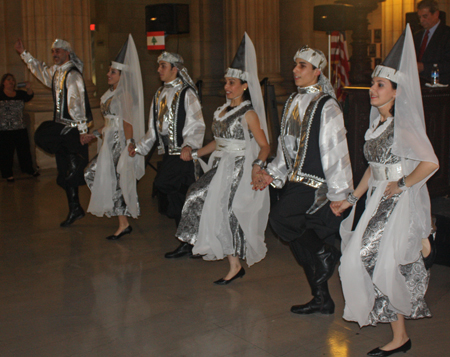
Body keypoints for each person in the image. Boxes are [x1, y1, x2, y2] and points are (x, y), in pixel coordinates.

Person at [335, 25, 439, 356]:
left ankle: (399, 336)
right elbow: (372, 169)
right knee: (368, 262)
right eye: (373, 84)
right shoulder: (376, 124)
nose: (372, 90)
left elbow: (431, 162)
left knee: (370, 261)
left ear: (396, 92)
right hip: (378, 196)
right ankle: (399, 335)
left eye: (380, 85)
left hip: (396, 201)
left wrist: (404, 184)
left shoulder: (402, 125)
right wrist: (352, 197)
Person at [255, 46, 353, 314]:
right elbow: (286, 147)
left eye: (302, 66)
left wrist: (338, 194)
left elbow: (336, 151)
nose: (295, 70)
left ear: (317, 72)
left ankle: (326, 254)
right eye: (295, 65)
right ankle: (322, 297)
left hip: (318, 184)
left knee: (280, 219)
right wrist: (272, 173)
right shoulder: (292, 102)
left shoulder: (327, 105)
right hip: (296, 180)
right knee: (301, 245)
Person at [176, 33, 270, 284]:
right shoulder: (220, 111)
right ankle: (203, 241)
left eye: (232, 83)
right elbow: (217, 143)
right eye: (226, 82)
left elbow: (264, 146)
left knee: (229, 211)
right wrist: (196, 152)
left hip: (239, 167)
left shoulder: (247, 113)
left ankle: (234, 265)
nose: (227, 87)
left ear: (244, 86)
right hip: (221, 165)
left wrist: (256, 166)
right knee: (197, 194)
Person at [128, 52, 205, 257]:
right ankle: (188, 240)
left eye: (163, 66)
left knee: (177, 194)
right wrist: (139, 148)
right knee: (174, 196)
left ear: (175, 69)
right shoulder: (158, 94)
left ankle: (189, 241)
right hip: (169, 155)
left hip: (183, 156)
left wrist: (189, 145)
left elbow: (196, 123)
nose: (159, 70)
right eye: (159, 66)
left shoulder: (187, 93)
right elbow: (153, 130)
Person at [15, 38, 92, 227]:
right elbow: (40, 69)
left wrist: (82, 130)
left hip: (72, 129)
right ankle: (75, 208)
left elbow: (76, 102)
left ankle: (79, 166)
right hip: (62, 127)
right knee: (64, 170)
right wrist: (24, 54)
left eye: (58, 51)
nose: (55, 54)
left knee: (69, 172)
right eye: (53, 52)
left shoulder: (72, 74)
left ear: (67, 53)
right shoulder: (57, 72)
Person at [83, 35, 145, 240]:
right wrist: (93, 134)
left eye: (113, 72)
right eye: (110, 71)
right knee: (92, 173)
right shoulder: (111, 92)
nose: (108, 74)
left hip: (119, 142)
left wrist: (129, 145)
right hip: (109, 140)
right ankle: (120, 217)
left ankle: (123, 223)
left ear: (122, 75)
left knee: (117, 180)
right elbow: (109, 121)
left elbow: (127, 122)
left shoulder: (124, 95)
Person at [0, 73, 39, 182]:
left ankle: (29, 170)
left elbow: (29, 96)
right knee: (6, 152)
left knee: (24, 150)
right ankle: (7, 174)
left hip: (19, 127)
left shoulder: (19, 93)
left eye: (13, 80)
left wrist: (29, 88)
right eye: (8, 80)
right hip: (4, 129)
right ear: (3, 82)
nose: (11, 82)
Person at [414, 0, 450, 84]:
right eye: (419, 17)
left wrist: (423, 67)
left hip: (440, 86)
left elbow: (448, 64)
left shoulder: (447, 34)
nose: (421, 20)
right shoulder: (417, 36)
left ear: (436, 14)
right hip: (418, 84)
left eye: (425, 16)